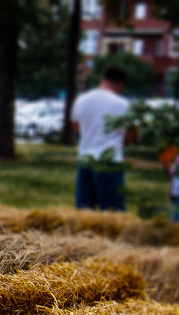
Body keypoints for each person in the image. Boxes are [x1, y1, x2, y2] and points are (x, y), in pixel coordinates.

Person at [71, 66, 135, 212]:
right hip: (109, 160)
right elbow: (131, 134)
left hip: (85, 159)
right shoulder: (122, 104)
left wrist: (89, 135)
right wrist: (124, 141)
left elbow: (76, 127)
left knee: (84, 211)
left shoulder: (81, 100)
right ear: (120, 83)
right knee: (112, 212)